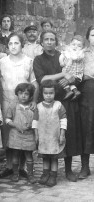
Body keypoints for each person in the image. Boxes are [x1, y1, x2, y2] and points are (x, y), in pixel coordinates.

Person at [33, 30, 82, 182]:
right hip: (47, 103)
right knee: (47, 134)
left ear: (56, 42)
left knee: (68, 134)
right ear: (41, 42)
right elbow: (42, 79)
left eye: (52, 39)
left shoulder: (64, 56)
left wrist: (70, 79)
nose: (49, 42)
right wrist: (62, 75)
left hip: (65, 99)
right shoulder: (38, 60)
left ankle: (68, 170)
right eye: (46, 39)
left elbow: (74, 74)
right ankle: (46, 172)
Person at [0, 33, 39, 178]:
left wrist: (33, 100)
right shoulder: (3, 62)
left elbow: (34, 83)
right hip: (7, 102)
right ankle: (9, 166)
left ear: (22, 45)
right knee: (9, 134)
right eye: (10, 43)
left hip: (25, 103)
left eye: (16, 43)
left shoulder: (29, 61)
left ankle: (23, 168)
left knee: (24, 132)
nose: (13, 46)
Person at [33, 80, 67, 187]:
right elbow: (35, 122)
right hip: (43, 136)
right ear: (42, 93)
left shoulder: (58, 105)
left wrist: (62, 134)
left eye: (51, 93)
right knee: (45, 156)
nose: (48, 96)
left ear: (55, 93)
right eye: (45, 93)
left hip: (54, 136)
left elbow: (63, 120)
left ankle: (53, 176)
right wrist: (36, 134)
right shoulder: (38, 106)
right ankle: (45, 174)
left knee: (53, 157)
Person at [6, 83, 36, 184]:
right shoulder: (13, 105)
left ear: (31, 96)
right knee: (15, 154)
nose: (23, 96)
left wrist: (33, 125)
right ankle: (15, 173)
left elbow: (37, 120)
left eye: (26, 94)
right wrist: (15, 125)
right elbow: (7, 119)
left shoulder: (33, 107)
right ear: (17, 94)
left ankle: (30, 175)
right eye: (20, 93)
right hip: (16, 134)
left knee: (29, 155)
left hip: (29, 135)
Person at [78, 25, 94, 179]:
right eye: (93, 35)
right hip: (88, 92)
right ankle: (85, 167)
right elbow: (75, 74)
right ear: (88, 37)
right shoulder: (82, 54)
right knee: (87, 127)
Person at [59, 35, 85, 100]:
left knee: (67, 81)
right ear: (70, 44)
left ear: (82, 47)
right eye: (73, 44)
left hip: (76, 74)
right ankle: (74, 91)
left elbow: (76, 58)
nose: (75, 47)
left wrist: (72, 55)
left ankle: (70, 91)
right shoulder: (67, 51)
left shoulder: (80, 54)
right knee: (64, 80)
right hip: (67, 72)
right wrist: (61, 62)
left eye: (79, 46)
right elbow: (62, 56)